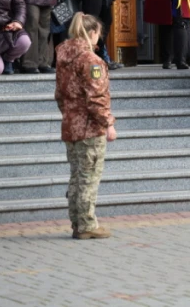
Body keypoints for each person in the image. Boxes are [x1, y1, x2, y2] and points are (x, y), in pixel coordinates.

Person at [55, 12, 116, 240]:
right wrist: (108, 123)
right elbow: (96, 98)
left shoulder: (63, 57)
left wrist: (70, 115)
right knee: (89, 177)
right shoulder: (91, 60)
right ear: (92, 33)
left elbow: (60, 95)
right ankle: (88, 224)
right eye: (98, 35)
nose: (98, 39)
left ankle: (77, 223)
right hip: (90, 128)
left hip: (71, 125)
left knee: (76, 176)